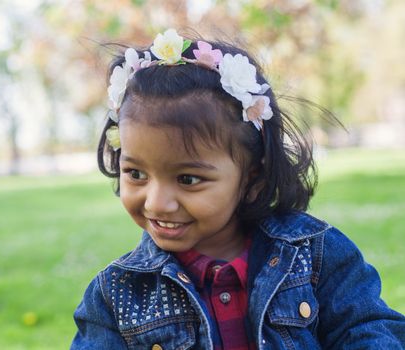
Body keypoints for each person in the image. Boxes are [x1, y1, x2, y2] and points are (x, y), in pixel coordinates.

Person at [71, 29, 405, 349]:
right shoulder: (116, 295)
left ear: (252, 179)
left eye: (187, 179)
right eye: (136, 173)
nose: (157, 203)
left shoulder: (314, 256)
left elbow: (368, 329)